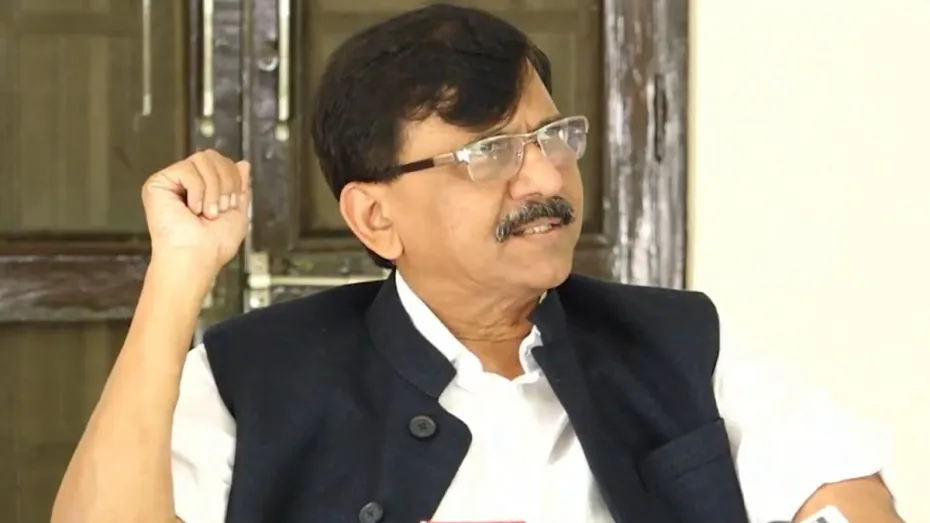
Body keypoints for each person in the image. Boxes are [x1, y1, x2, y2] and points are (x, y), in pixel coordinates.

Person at [52, 4, 902, 523]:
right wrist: (177, 276)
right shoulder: (258, 374)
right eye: (489, 153)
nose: (546, 179)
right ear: (376, 216)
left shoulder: (680, 342)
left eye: (551, 138)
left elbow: (841, 489)